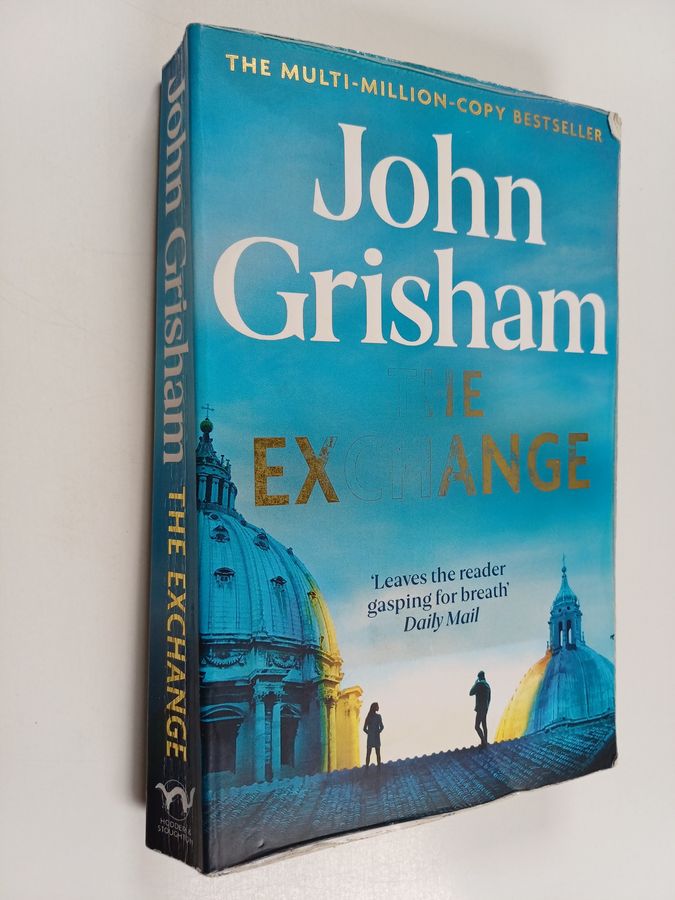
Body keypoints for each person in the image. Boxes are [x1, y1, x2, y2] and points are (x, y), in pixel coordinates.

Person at [469, 671, 491, 747]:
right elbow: (489, 698)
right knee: (484, 725)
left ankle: (484, 742)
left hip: (480, 708)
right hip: (485, 707)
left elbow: (471, 693)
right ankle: (485, 741)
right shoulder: (487, 685)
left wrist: (475, 683)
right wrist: (487, 707)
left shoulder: (479, 684)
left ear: (479, 677)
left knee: (477, 726)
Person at [363, 701, 384, 767]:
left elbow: (382, 727)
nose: (378, 707)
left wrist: (376, 732)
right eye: (377, 706)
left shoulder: (378, 716)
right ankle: (367, 767)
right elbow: (364, 728)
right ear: (374, 707)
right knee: (370, 753)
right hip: (373, 737)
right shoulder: (369, 717)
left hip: (374, 737)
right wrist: (371, 733)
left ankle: (378, 767)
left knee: (376, 753)